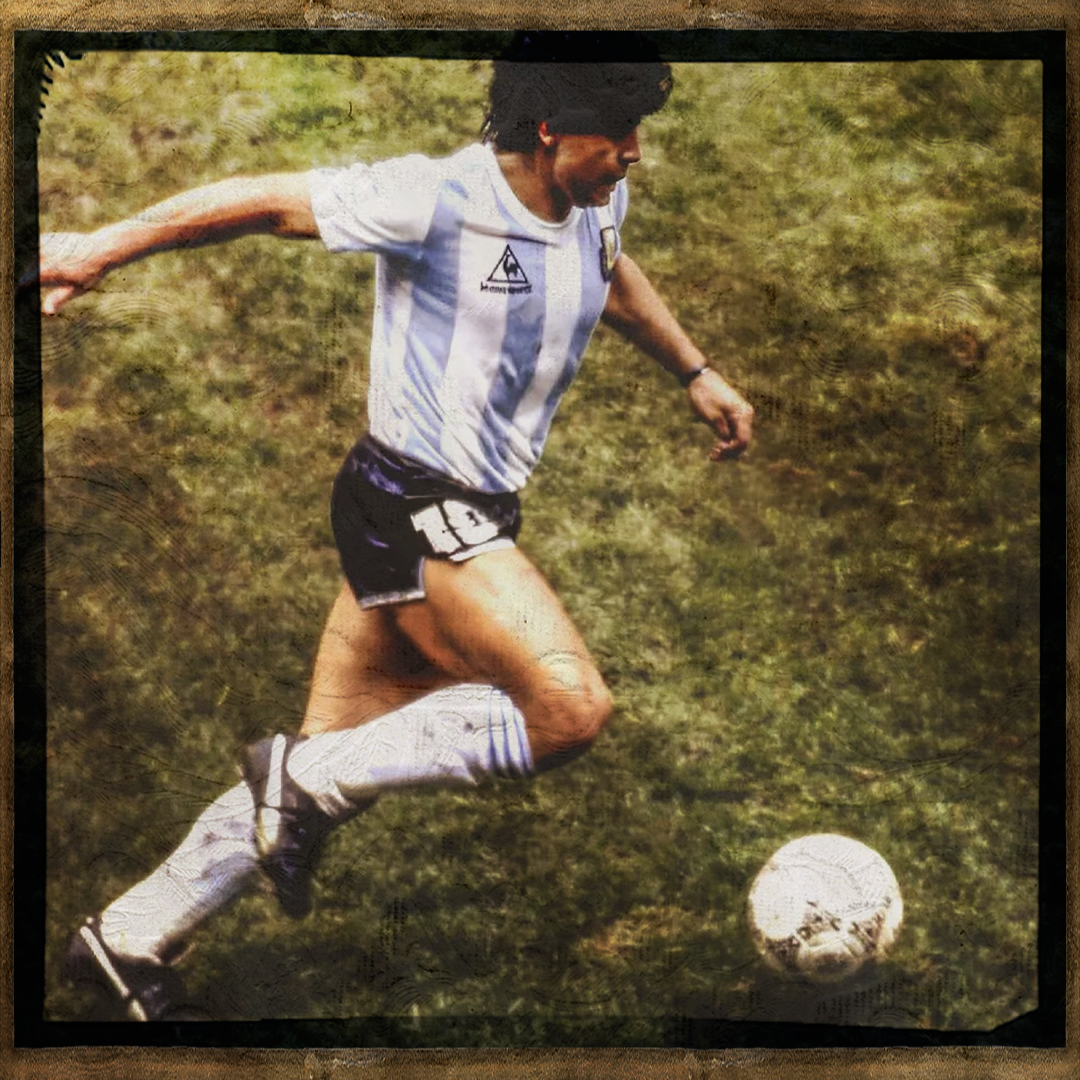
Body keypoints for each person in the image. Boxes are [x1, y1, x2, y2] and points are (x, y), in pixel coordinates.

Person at [38, 34, 754, 1021]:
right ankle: (301, 781)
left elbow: (608, 270)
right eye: (617, 134)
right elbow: (265, 201)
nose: (634, 152)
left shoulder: (594, 199)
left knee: (330, 763)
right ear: (551, 130)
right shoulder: (438, 199)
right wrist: (99, 247)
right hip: (412, 504)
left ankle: (124, 939)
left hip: (462, 509)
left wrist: (694, 370)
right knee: (567, 708)